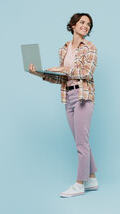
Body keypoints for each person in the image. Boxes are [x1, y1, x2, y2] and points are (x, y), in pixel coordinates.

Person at [29, 13, 98, 198]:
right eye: (82, 22)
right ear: (73, 25)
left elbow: (86, 72)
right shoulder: (64, 49)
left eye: (89, 24)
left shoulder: (90, 48)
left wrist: (63, 69)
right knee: (80, 140)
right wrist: (39, 73)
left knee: (81, 142)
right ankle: (91, 178)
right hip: (69, 96)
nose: (85, 26)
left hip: (83, 97)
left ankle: (79, 183)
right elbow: (62, 77)